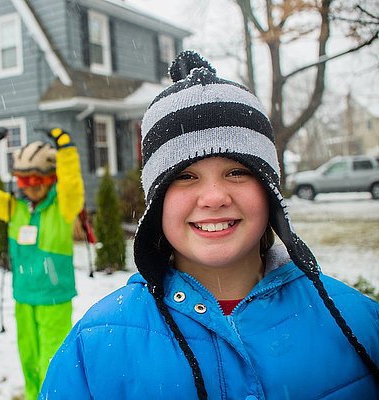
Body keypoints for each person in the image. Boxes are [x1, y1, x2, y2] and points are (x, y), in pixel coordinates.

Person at [39, 51, 379, 399]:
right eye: (185, 176)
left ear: (269, 190)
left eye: (237, 172)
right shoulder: (95, 346)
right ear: (156, 204)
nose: (214, 197)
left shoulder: (359, 324)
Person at [0, 127, 84, 400]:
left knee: (52, 360)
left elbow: (72, 185)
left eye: (35, 178)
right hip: (23, 296)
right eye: (22, 180)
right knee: (28, 359)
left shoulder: (63, 206)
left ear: (51, 178)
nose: (29, 186)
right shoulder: (13, 207)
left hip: (54, 298)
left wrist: (65, 150)